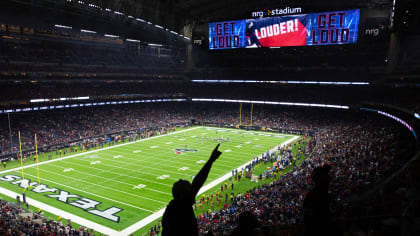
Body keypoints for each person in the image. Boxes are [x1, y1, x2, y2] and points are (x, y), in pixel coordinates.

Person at [162, 144, 222, 236]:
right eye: (189, 190)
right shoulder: (181, 209)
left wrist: (211, 160)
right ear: (183, 195)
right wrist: (211, 160)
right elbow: (197, 183)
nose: (193, 192)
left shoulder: (173, 207)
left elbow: (197, 184)